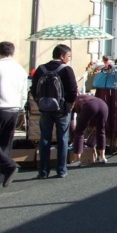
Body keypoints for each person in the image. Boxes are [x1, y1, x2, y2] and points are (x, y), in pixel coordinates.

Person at [0, 42, 29, 189]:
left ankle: (8, 166)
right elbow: (23, 92)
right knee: (4, 145)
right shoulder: (20, 69)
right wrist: (21, 108)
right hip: (14, 109)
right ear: (12, 52)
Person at [31, 44, 78, 179]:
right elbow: (73, 90)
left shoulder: (41, 69)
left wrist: (41, 103)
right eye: (68, 56)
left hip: (45, 108)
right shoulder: (66, 69)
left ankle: (43, 171)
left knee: (44, 138)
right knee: (62, 138)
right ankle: (61, 170)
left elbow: (34, 89)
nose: (69, 59)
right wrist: (70, 104)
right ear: (62, 56)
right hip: (62, 109)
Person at [69, 93, 109, 165]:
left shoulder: (71, 102)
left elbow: (72, 123)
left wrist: (72, 137)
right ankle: (102, 157)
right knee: (101, 131)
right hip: (103, 105)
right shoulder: (82, 96)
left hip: (90, 105)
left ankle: (77, 160)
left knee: (79, 132)